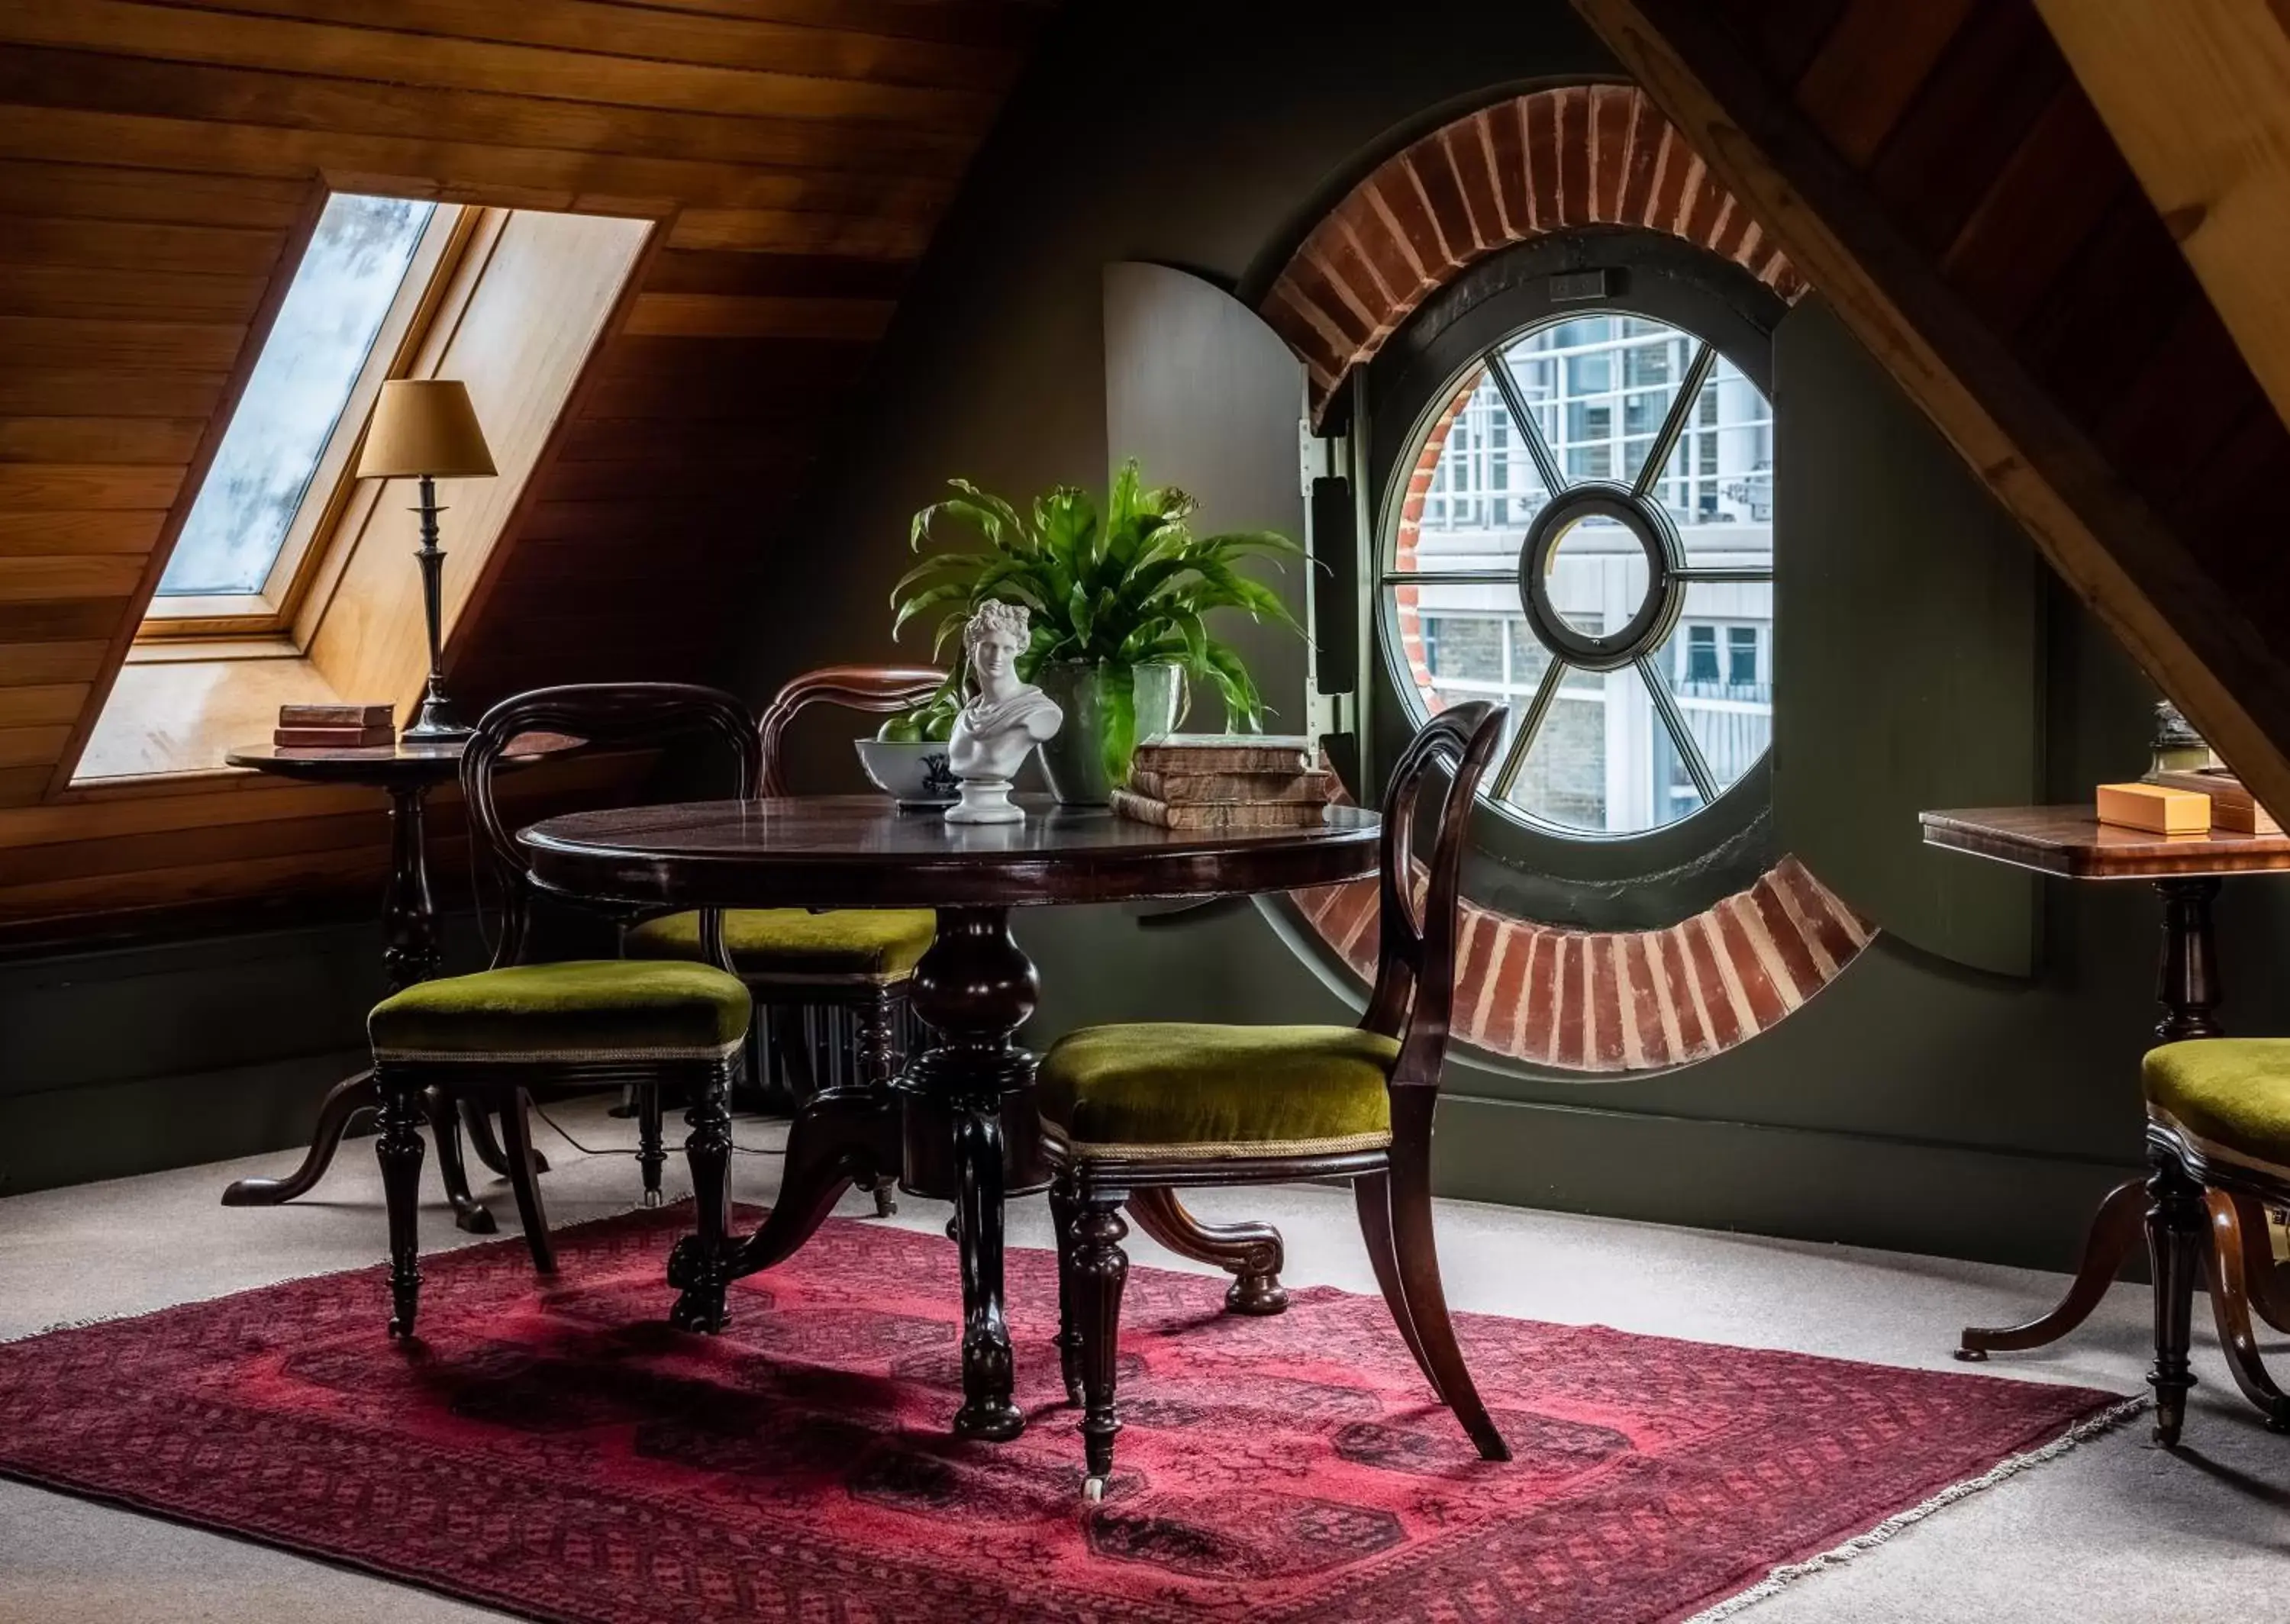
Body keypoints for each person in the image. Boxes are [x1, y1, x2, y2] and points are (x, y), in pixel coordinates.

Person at [945, 601, 1062, 823]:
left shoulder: (1038, 713)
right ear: (972, 647)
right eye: (989, 646)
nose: (997, 657)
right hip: (964, 815)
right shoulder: (966, 715)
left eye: (1007, 648)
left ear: (1018, 651)